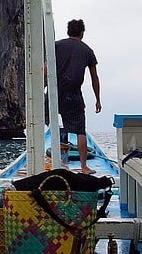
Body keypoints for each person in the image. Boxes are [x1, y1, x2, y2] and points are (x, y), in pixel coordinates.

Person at [50, 18, 101, 172]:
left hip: (54, 92)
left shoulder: (57, 46)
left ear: (68, 31)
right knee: (80, 131)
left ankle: (50, 160)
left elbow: (45, 68)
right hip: (73, 95)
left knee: (49, 123)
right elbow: (94, 78)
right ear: (82, 33)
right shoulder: (87, 50)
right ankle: (84, 166)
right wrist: (98, 100)